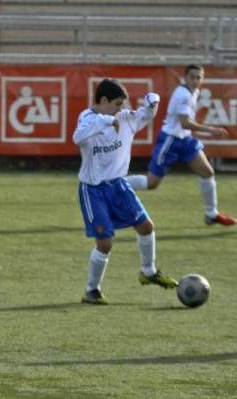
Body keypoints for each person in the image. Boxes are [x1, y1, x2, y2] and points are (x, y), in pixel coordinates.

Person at [73, 79, 178, 305]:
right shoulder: (88, 118)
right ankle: (92, 290)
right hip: (93, 190)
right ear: (103, 101)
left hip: (119, 186)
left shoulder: (125, 118)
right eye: (117, 104)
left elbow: (146, 115)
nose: (121, 110)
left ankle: (148, 272)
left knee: (146, 226)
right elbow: (77, 137)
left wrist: (153, 101)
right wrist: (108, 120)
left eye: (122, 105)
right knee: (105, 243)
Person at [126, 64, 236, 226]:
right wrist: (210, 129)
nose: (196, 80)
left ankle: (211, 214)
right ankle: (117, 185)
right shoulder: (183, 94)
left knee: (207, 172)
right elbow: (184, 123)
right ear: (185, 78)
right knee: (151, 183)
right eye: (192, 77)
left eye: (199, 77)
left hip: (185, 140)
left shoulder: (194, 91)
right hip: (170, 141)